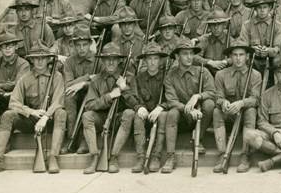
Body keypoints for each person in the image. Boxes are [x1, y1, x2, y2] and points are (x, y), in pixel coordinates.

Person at [0, 43, 66, 175]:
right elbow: (13, 102)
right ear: (31, 60)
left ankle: (53, 157)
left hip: (50, 120)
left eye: (43, 58)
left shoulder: (57, 77)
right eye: (36, 58)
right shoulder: (25, 79)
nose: (40, 61)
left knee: (61, 113)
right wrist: (31, 112)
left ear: (49, 59)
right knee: (8, 115)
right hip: (31, 121)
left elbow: (59, 101)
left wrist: (46, 117)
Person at [81, 42, 138, 174]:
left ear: (119, 61)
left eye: (114, 59)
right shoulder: (96, 80)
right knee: (87, 116)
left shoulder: (128, 78)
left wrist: (124, 89)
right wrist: (109, 96)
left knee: (129, 113)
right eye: (107, 59)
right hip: (102, 118)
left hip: (120, 118)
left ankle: (113, 157)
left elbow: (136, 103)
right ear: (103, 61)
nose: (111, 63)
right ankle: (94, 157)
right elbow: (89, 105)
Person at [163, 37, 216, 174]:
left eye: (191, 54)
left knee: (209, 104)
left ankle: (200, 138)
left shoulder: (202, 71)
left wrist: (198, 96)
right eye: (185, 54)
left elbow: (212, 92)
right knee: (172, 112)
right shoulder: (170, 76)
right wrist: (187, 109)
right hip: (182, 118)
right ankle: (170, 157)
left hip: (201, 117)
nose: (189, 57)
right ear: (177, 56)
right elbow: (171, 100)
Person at [212, 39, 261, 173]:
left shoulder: (256, 75)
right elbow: (218, 97)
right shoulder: (220, 74)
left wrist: (242, 103)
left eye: (241, 55)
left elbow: (256, 99)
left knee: (251, 111)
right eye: (235, 55)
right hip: (229, 114)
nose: (238, 59)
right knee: (216, 111)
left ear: (247, 57)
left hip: (246, 115)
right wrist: (224, 103)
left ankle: (245, 155)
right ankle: (222, 154)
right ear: (230, 57)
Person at [131, 42, 170, 173]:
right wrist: (139, 107)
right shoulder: (138, 78)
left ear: (160, 60)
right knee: (137, 117)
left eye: (155, 58)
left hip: (160, 117)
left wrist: (161, 107)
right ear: (145, 61)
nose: (152, 62)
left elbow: (171, 97)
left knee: (164, 116)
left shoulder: (167, 77)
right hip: (145, 116)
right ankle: (141, 157)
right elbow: (135, 97)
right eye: (149, 58)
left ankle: (156, 156)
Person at [61, 25, 95, 154]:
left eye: (84, 45)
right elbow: (68, 84)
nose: (81, 48)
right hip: (75, 94)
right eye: (78, 45)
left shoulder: (98, 60)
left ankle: (84, 140)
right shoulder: (69, 61)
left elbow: (100, 81)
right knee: (68, 97)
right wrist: (87, 78)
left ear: (90, 44)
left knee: (90, 99)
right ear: (74, 45)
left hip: (93, 95)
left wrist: (83, 84)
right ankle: (71, 138)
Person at [240, 0, 281, 72]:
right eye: (259, 7)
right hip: (252, 61)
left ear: (269, 8)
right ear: (255, 9)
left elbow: (278, 48)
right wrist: (252, 49)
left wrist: (268, 51)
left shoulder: (277, 25)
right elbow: (243, 46)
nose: (262, 10)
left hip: (271, 61)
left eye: (265, 7)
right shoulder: (247, 25)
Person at [0, 33, 29, 114]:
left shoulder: (23, 64)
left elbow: (18, 85)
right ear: (0, 48)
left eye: (10, 46)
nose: (7, 48)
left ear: (16, 47)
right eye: (4, 46)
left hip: (16, 99)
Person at [198, 8, 231, 75]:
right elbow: (195, 56)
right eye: (213, 25)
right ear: (209, 26)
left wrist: (226, 61)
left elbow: (237, 55)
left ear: (224, 25)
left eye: (219, 24)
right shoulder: (205, 40)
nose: (216, 28)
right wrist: (209, 62)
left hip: (226, 75)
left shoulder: (230, 40)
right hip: (208, 75)